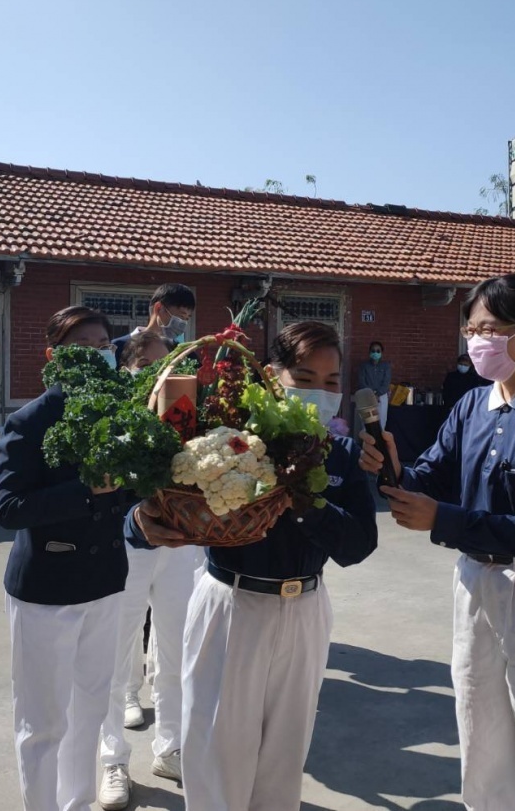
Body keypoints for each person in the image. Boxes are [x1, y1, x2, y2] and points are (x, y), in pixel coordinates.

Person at [359, 273, 515, 811]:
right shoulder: (472, 405)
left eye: (489, 329)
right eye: (470, 328)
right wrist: (392, 470)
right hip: (476, 582)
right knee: (481, 730)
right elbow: (431, 476)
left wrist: (442, 520)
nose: (477, 341)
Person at [130, 321, 378, 811]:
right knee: (218, 751)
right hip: (232, 605)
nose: (319, 393)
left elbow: (357, 546)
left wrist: (306, 499)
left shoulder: (342, 455)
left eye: (331, 383)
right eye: (304, 378)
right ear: (270, 375)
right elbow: (158, 500)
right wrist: (139, 521)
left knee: (285, 757)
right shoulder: (232, 443)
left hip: (306, 608)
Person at [0, 306, 130, 811]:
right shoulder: (28, 422)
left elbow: (133, 489)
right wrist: (88, 491)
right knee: (43, 721)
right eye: (81, 346)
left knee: (90, 710)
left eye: (103, 345)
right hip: (47, 589)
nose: (96, 354)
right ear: (54, 355)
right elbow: (9, 509)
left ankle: (77, 801)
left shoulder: (119, 415)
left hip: (105, 581)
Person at [97, 329, 200, 811]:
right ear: (131, 366)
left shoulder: (188, 414)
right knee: (117, 647)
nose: (166, 376)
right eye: (155, 365)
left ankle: (171, 746)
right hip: (127, 546)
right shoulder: (115, 414)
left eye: (173, 367)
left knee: (178, 646)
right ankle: (112, 758)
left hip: (180, 546)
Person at [111, 282, 196, 367]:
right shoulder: (117, 347)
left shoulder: (186, 354)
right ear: (159, 308)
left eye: (186, 318)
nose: (182, 323)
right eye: (180, 316)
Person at [357, 340, 392, 428]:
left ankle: (379, 442)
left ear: (381, 353)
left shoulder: (386, 366)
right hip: (367, 397)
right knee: (366, 424)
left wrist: (377, 394)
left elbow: (386, 383)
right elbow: (362, 382)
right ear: (369, 352)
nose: (375, 353)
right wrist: (372, 395)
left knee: (381, 423)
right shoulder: (364, 366)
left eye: (378, 351)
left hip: (381, 397)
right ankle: (366, 441)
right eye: (373, 351)